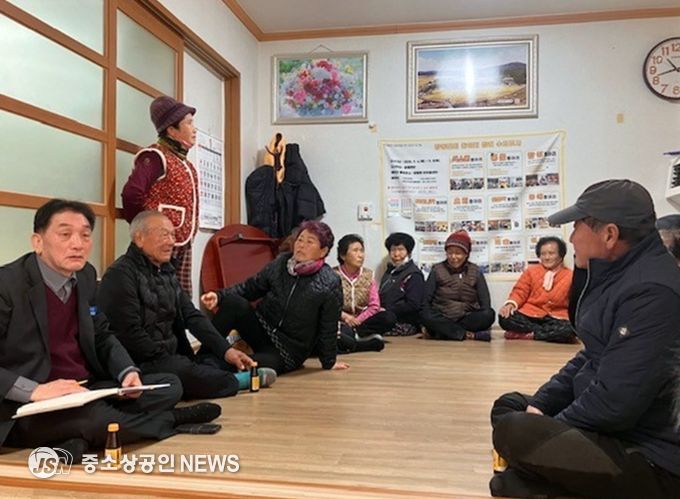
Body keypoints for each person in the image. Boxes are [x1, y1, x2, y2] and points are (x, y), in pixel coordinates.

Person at [489, 179, 680, 499]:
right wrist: (541, 404)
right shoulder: (620, 274)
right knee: (511, 407)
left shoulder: (652, 293)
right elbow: (591, 354)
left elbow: (614, 405)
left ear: (609, 235)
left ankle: (533, 475)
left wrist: (554, 429)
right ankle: (538, 476)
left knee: (515, 433)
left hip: (650, 455)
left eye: (577, 226)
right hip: (613, 423)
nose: (572, 237)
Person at [0, 200, 221, 463]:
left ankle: (77, 440)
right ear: (37, 242)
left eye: (85, 235)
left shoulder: (85, 276)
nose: (77, 244)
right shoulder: (7, 285)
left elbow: (102, 334)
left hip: (84, 388)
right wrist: (35, 390)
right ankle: (169, 419)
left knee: (169, 385)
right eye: (65, 234)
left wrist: (127, 371)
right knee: (95, 419)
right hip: (27, 403)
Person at [97, 211, 276, 400]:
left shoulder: (166, 271)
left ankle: (215, 373)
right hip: (142, 361)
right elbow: (129, 334)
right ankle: (238, 381)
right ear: (139, 238)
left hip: (173, 356)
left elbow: (192, 316)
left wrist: (226, 350)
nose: (171, 242)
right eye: (164, 235)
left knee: (211, 361)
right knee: (183, 372)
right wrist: (171, 359)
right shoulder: (120, 275)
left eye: (172, 235)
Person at [202, 221, 350, 373]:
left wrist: (329, 361)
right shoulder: (281, 263)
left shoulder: (330, 281)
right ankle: (202, 355)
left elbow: (328, 326)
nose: (301, 245)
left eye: (310, 242)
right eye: (300, 239)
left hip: (287, 351)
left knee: (246, 365)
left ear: (323, 251)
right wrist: (219, 296)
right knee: (234, 302)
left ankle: (208, 368)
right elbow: (250, 287)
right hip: (262, 329)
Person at [121, 95, 199, 294]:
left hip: (182, 241)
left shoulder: (185, 163)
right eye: (189, 123)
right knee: (156, 294)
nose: (194, 129)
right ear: (171, 130)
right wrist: (142, 228)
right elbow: (131, 194)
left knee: (180, 296)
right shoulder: (155, 156)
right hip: (157, 242)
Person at [498, 236, 576, 343]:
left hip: (556, 318)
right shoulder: (531, 271)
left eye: (551, 253)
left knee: (569, 329)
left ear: (561, 255)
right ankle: (545, 334)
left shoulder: (571, 275)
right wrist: (510, 304)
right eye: (543, 254)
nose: (547, 257)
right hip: (530, 315)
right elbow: (520, 291)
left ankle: (529, 335)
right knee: (504, 317)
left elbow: (574, 302)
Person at [420, 230, 495, 341]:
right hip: (442, 316)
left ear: (466, 254)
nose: (453, 257)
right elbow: (425, 301)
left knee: (489, 314)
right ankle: (466, 334)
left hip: (466, 317)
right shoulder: (437, 270)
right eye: (450, 253)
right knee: (424, 314)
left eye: (458, 253)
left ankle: (443, 333)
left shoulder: (475, 271)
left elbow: (485, 302)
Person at [333, 234, 389, 354]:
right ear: (343, 255)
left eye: (362, 251)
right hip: (339, 320)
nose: (360, 255)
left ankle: (353, 334)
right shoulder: (332, 275)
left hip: (361, 322)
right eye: (355, 251)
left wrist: (357, 320)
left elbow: (374, 305)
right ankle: (357, 339)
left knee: (388, 317)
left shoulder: (368, 275)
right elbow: (328, 304)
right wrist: (345, 317)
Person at [373, 232, 423, 336]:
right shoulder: (390, 271)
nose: (396, 254)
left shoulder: (414, 274)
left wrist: (387, 310)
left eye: (400, 250)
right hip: (384, 314)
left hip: (404, 322)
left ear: (408, 252)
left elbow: (413, 305)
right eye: (393, 250)